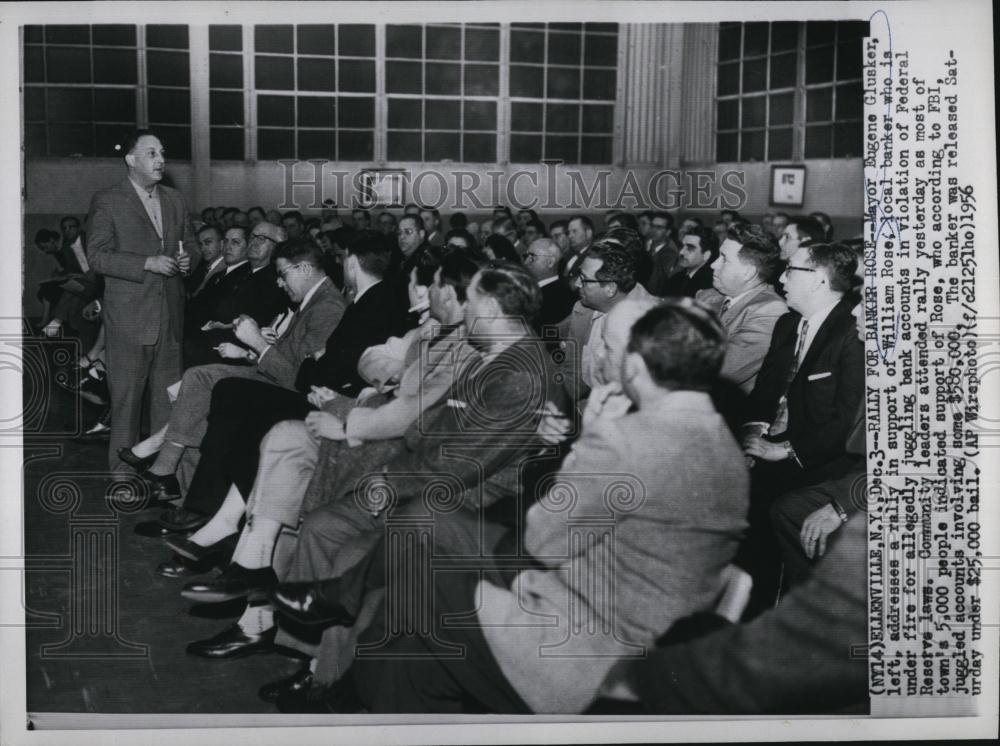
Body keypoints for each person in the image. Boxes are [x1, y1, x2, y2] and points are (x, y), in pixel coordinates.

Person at [312, 298, 748, 714]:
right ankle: (352, 678)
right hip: (636, 625)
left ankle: (347, 690)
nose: (601, 358)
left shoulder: (626, 439)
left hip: (584, 644)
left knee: (421, 583)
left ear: (636, 365)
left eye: (612, 350)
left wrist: (594, 437)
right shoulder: (723, 443)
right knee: (426, 542)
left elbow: (543, 540)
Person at [85, 129, 198, 473]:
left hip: (170, 318)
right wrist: (146, 262)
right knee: (126, 406)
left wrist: (187, 261)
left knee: (169, 405)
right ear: (131, 160)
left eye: (162, 152)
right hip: (130, 320)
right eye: (151, 153)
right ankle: (122, 480)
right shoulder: (108, 200)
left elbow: (190, 245)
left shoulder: (175, 200)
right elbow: (97, 257)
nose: (161, 160)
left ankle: (161, 477)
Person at [696, 223, 787, 394]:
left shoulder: (771, 310)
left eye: (724, 259)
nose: (713, 265)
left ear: (748, 272)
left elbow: (720, 369)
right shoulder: (707, 296)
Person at [523, 237, 576, 328]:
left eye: (532, 257)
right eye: (526, 256)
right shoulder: (528, 289)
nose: (526, 262)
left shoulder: (561, 297)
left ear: (550, 262)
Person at [662, 226, 717, 298]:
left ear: (706, 255)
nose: (681, 252)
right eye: (682, 246)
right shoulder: (676, 278)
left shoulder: (711, 284)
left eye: (690, 248)